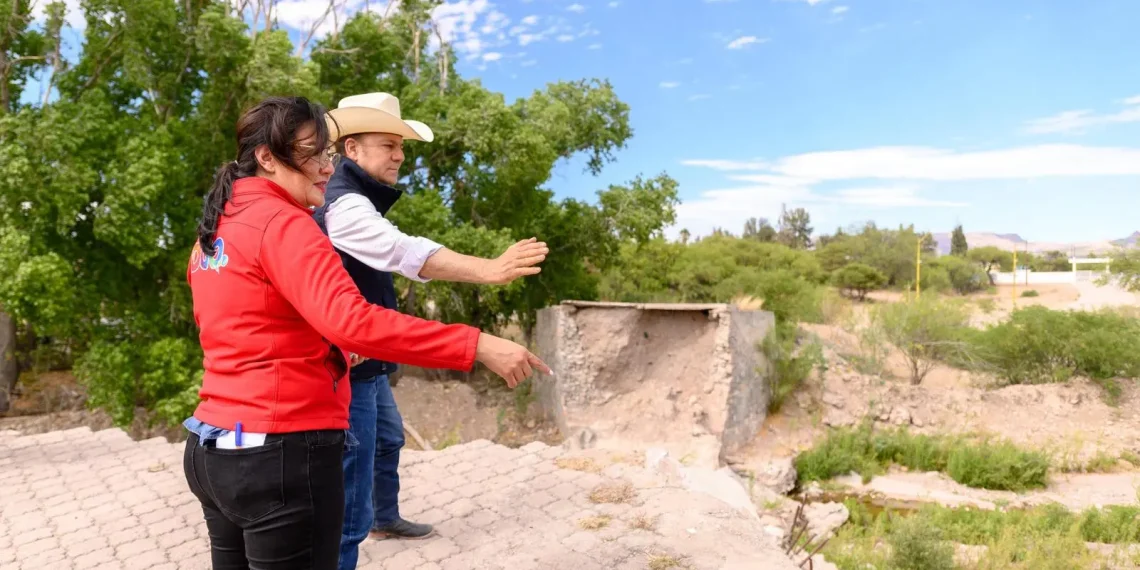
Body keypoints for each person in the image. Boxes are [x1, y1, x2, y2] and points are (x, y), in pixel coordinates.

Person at [182, 95, 549, 570]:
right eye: (312, 154)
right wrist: (475, 343)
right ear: (267, 158)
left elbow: (242, 321)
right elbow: (353, 318)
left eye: (326, 154)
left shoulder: (217, 227)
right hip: (279, 452)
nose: (324, 167)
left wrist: (325, 346)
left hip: (213, 448)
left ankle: (386, 514)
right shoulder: (286, 223)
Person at [310, 92, 549, 569]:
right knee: (347, 506)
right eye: (389, 144)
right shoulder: (344, 205)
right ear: (352, 149)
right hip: (348, 363)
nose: (400, 155)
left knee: (389, 439)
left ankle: (386, 517)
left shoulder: (351, 197)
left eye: (401, 145)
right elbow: (401, 251)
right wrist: (490, 269)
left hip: (367, 360)